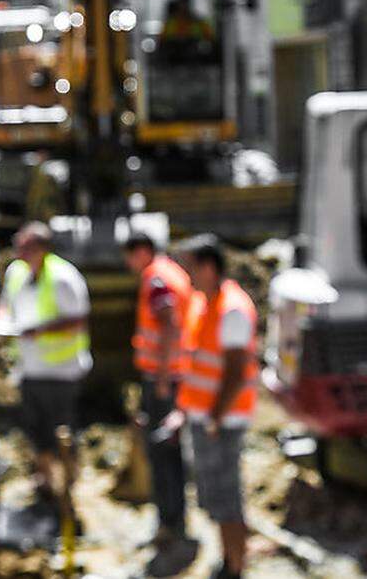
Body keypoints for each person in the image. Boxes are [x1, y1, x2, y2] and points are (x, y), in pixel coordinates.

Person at [163, 236, 257, 579]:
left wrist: (215, 418)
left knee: (228, 499)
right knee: (216, 498)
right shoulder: (205, 303)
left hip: (224, 421)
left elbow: (235, 371)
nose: (185, 274)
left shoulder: (232, 308)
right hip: (207, 418)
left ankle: (236, 566)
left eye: (190, 266)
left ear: (208, 267)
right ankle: (228, 561)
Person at [0, 221, 92, 500]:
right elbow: (7, 303)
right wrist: (3, 322)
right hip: (29, 368)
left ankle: (69, 482)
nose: (19, 253)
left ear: (41, 249)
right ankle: (46, 481)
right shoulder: (16, 273)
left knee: (62, 430)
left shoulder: (64, 277)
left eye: (25, 248)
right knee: (36, 430)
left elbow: (77, 322)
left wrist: (39, 331)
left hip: (61, 371)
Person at [122, 231, 196, 562]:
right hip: (176, 375)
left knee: (163, 452)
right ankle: (174, 520)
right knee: (172, 451)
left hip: (164, 379)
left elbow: (168, 325)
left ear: (141, 251)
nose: (128, 264)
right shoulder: (174, 272)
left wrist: (163, 379)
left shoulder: (156, 279)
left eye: (129, 256)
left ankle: (170, 522)